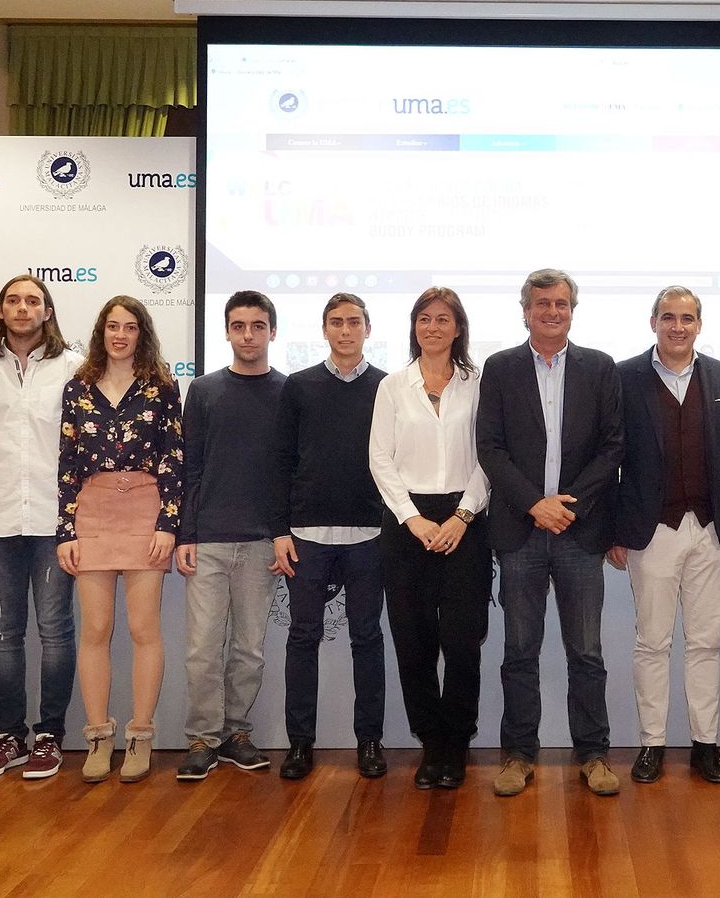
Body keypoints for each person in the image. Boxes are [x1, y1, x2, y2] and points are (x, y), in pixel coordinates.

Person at [477, 268, 625, 797]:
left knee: (586, 652)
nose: (552, 311)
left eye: (561, 303)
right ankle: (519, 755)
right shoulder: (500, 368)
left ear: (572, 310)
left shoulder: (599, 368)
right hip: (520, 531)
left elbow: (613, 447)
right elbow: (489, 448)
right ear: (525, 310)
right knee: (520, 651)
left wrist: (569, 507)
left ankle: (594, 754)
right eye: (542, 303)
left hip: (580, 534)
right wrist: (534, 505)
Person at [608, 286, 720, 785]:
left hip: (711, 530)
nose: (678, 326)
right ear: (653, 322)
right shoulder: (623, 377)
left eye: (687, 318)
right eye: (669, 317)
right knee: (652, 642)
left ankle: (706, 745)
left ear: (699, 324)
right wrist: (614, 532)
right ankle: (652, 744)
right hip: (650, 531)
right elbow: (610, 458)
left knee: (706, 641)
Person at [0, 274, 81, 782]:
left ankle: (50, 735)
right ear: (1, 311)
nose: (23, 308)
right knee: (4, 633)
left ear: (47, 311)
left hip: (56, 522)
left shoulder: (74, 368)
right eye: (14, 300)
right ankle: (8, 734)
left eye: (33, 300)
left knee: (55, 632)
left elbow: (78, 446)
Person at [369, 287, 492, 790]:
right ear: (413, 326)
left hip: (466, 521)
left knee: (462, 641)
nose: (433, 327)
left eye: (444, 319)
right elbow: (380, 458)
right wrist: (413, 519)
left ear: (458, 328)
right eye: (424, 318)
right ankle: (431, 742)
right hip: (407, 526)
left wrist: (461, 515)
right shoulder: (393, 386)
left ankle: (457, 741)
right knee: (414, 643)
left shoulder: (480, 383)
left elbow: (492, 455)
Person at [56, 295, 182, 784]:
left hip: (146, 509)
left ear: (142, 333)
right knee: (95, 629)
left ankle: (140, 735)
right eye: (112, 326)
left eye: (130, 327)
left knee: (144, 628)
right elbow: (68, 460)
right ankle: (97, 737)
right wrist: (66, 529)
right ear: (100, 332)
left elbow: (174, 456)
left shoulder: (161, 387)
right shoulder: (78, 387)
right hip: (93, 510)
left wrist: (168, 523)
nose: (120, 335)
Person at [271, 292, 389, 782]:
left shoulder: (388, 387)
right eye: (336, 322)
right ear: (324, 330)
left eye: (354, 322)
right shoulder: (299, 386)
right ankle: (300, 744)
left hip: (371, 534)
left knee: (367, 637)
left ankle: (369, 741)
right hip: (306, 535)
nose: (345, 330)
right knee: (302, 637)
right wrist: (279, 530)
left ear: (367, 328)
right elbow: (280, 462)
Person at [175, 291, 286, 780]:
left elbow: (291, 470)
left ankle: (237, 731)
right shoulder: (202, 390)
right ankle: (202, 738)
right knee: (202, 647)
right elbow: (189, 466)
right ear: (225, 331)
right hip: (210, 540)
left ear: (272, 332)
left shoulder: (289, 391)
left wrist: (284, 534)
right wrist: (185, 533)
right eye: (238, 325)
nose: (247, 335)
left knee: (249, 649)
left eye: (257, 326)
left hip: (263, 541)